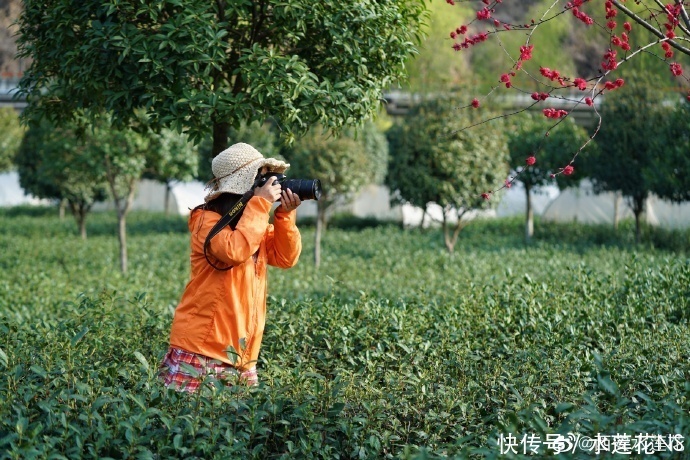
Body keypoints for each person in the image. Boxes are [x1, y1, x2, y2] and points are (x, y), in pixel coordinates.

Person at [158, 143, 302, 392]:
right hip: (202, 349)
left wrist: (284, 215)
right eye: (263, 179)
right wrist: (259, 205)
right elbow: (234, 251)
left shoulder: (253, 223)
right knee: (193, 428)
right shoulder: (206, 220)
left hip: (242, 354)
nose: (271, 186)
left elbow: (285, 257)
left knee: (236, 430)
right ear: (245, 186)